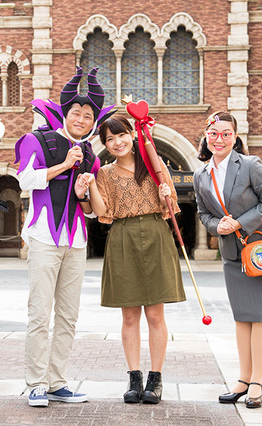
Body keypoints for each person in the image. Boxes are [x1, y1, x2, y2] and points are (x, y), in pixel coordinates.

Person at [15, 67, 115, 407]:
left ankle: (57, 382)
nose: (82, 119)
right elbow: (25, 180)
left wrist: (85, 190)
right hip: (43, 237)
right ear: (65, 113)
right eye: (77, 113)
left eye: (89, 116)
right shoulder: (38, 140)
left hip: (76, 242)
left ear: (94, 121)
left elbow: (90, 211)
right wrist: (63, 165)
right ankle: (35, 384)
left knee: (68, 316)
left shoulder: (91, 156)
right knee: (40, 312)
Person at [75, 116, 186, 404]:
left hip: (155, 233)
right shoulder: (106, 173)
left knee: (155, 315)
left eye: (121, 135)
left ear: (132, 135)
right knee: (129, 316)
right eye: (109, 139)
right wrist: (90, 188)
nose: (116, 143)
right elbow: (102, 212)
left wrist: (165, 195)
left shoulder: (153, 164)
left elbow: (170, 207)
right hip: (122, 236)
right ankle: (134, 378)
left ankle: (155, 379)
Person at [192, 111, 262, 409]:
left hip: (260, 249)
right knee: (242, 316)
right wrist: (214, 227)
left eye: (226, 134)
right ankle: (243, 380)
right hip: (232, 253)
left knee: (261, 314)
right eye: (214, 133)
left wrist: (239, 223)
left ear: (235, 136)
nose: (220, 139)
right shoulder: (200, 174)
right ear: (207, 135)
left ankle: (257, 381)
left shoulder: (249, 165)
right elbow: (203, 213)